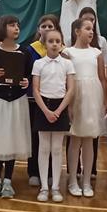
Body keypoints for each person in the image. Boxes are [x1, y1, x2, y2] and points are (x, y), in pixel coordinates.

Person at [0, 15, 33, 199]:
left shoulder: (25, 52)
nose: (16, 28)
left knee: (12, 139)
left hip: (17, 101)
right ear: (3, 28)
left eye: (17, 25)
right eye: (12, 25)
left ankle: (8, 181)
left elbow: (29, 75)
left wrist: (26, 82)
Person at [32, 28, 76, 202]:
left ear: (62, 43)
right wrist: (46, 111)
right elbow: (36, 90)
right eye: (51, 41)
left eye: (58, 41)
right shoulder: (38, 64)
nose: (55, 44)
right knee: (43, 148)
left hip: (60, 106)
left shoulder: (67, 64)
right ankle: (44, 187)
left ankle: (56, 187)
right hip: (43, 106)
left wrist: (58, 111)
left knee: (57, 149)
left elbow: (70, 89)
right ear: (44, 43)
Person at [65, 18, 107, 198]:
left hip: (92, 98)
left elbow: (102, 78)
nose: (91, 32)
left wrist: (105, 101)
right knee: (75, 140)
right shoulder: (68, 52)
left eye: (92, 29)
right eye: (87, 28)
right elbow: (65, 78)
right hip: (76, 97)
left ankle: (87, 180)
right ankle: (72, 180)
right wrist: (68, 104)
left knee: (89, 140)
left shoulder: (97, 53)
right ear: (77, 31)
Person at [26, 14, 61, 187]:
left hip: (55, 100)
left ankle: (50, 174)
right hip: (35, 100)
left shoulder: (62, 51)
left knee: (54, 141)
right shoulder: (30, 50)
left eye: (50, 26)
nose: (47, 29)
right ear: (38, 29)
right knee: (35, 137)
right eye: (44, 26)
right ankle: (33, 171)